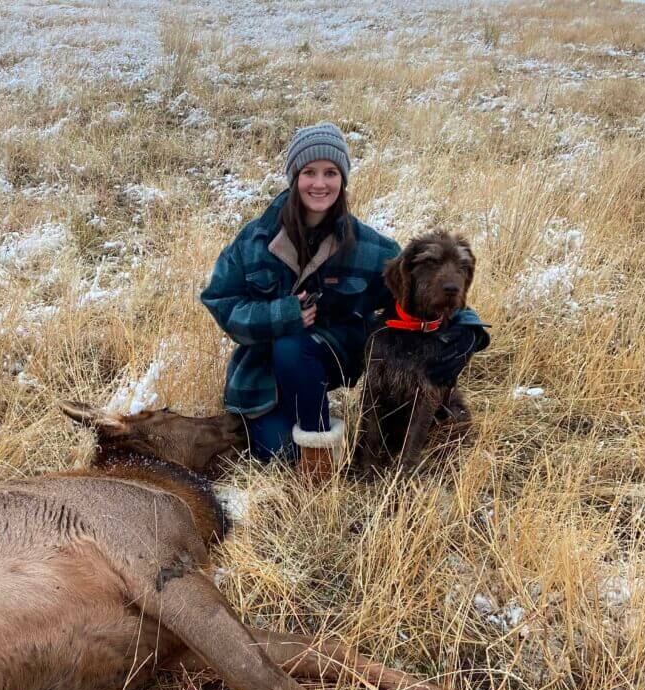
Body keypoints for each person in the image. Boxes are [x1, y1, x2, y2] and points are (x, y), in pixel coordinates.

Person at [200, 122, 489, 480]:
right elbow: (219, 299)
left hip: (335, 358)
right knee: (277, 452)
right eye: (309, 172)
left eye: (331, 172)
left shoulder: (369, 246)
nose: (319, 184)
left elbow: (424, 290)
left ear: (343, 179)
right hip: (264, 372)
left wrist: (467, 334)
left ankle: (320, 440)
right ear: (294, 176)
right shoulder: (255, 239)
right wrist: (282, 313)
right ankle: (296, 427)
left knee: (295, 347)